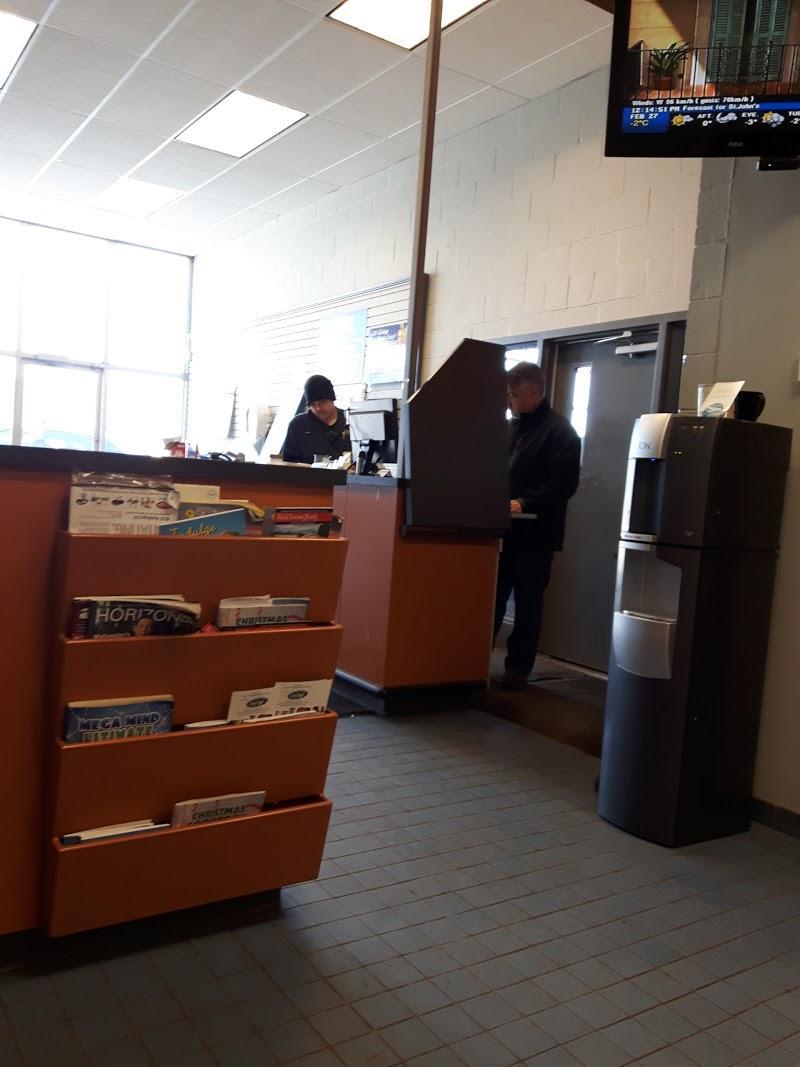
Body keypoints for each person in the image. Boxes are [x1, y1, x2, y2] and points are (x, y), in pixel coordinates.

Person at [494, 362, 581, 691]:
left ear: (534, 392)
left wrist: (525, 503)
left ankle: (518, 670)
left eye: (514, 395)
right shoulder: (510, 428)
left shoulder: (560, 432)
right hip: (504, 532)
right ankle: (471, 663)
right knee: (492, 601)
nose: (509, 402)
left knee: (528, 605)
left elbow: (564, 485)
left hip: (536, 536)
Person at [281, 375, 350, 465]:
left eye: (323, 402)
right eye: (313, 404)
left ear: (332, 399)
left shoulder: (350, 421)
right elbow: (289, 463)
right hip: (308, 474)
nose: (318, 408)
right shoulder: (298, 425)